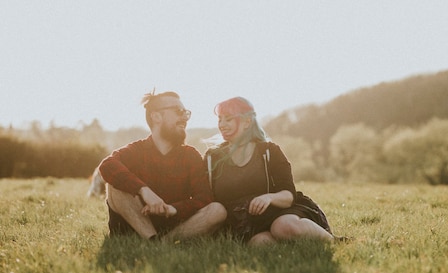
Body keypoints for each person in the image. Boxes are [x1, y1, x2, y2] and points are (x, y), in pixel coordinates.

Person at [205, 96, 335, 245]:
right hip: (246, 224)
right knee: (260, 243)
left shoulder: (269, 151)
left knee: (283, 227)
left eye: (228, 119)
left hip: (280, 213)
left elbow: (288, 195)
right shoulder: (212, 157)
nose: (222, 124)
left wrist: (269, 198)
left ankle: (334, 242)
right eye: (220, 119)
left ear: (247, 122)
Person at [99, 90, 226, 241]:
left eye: (186, 113)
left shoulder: (190, 155)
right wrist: (144, 191)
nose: (184, 118)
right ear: (156, 116)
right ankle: (151, 238)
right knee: (114, 186)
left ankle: (161, 243)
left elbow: (204, 197)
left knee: (218, 210)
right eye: (179, 112)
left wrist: (174, 209)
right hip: (135, 227)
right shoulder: (137, 150)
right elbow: (106, 165)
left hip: (173, 227)